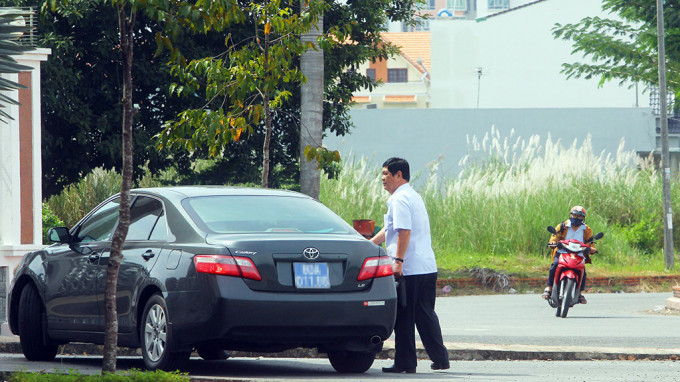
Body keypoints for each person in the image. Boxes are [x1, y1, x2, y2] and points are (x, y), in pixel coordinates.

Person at [370, 157, 449, 374]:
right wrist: (369, 244)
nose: (383, 178)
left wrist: (398, 262)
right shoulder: (413, 196)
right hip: (426, 266)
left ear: (399, 175)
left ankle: (405, 362)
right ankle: (440, 358)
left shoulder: (400, 199)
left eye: (386, 174)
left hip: (409, 268)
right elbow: (392, 228)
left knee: (404, 317)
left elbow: (404, 231)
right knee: (425, 314)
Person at [542, 205, 597, 304]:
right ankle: (549, 288)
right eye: (575, 215)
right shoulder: (562, 226)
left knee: (583, 272)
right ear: (571, 215)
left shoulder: (587, 230)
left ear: (583, 218)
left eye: (580, 216)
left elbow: (590, 242)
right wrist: (553, 242)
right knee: (554, 265)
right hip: (562, 252)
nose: (577, 218)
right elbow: (555, 236)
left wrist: (592, 248)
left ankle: (579, 293)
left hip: (579, 254)